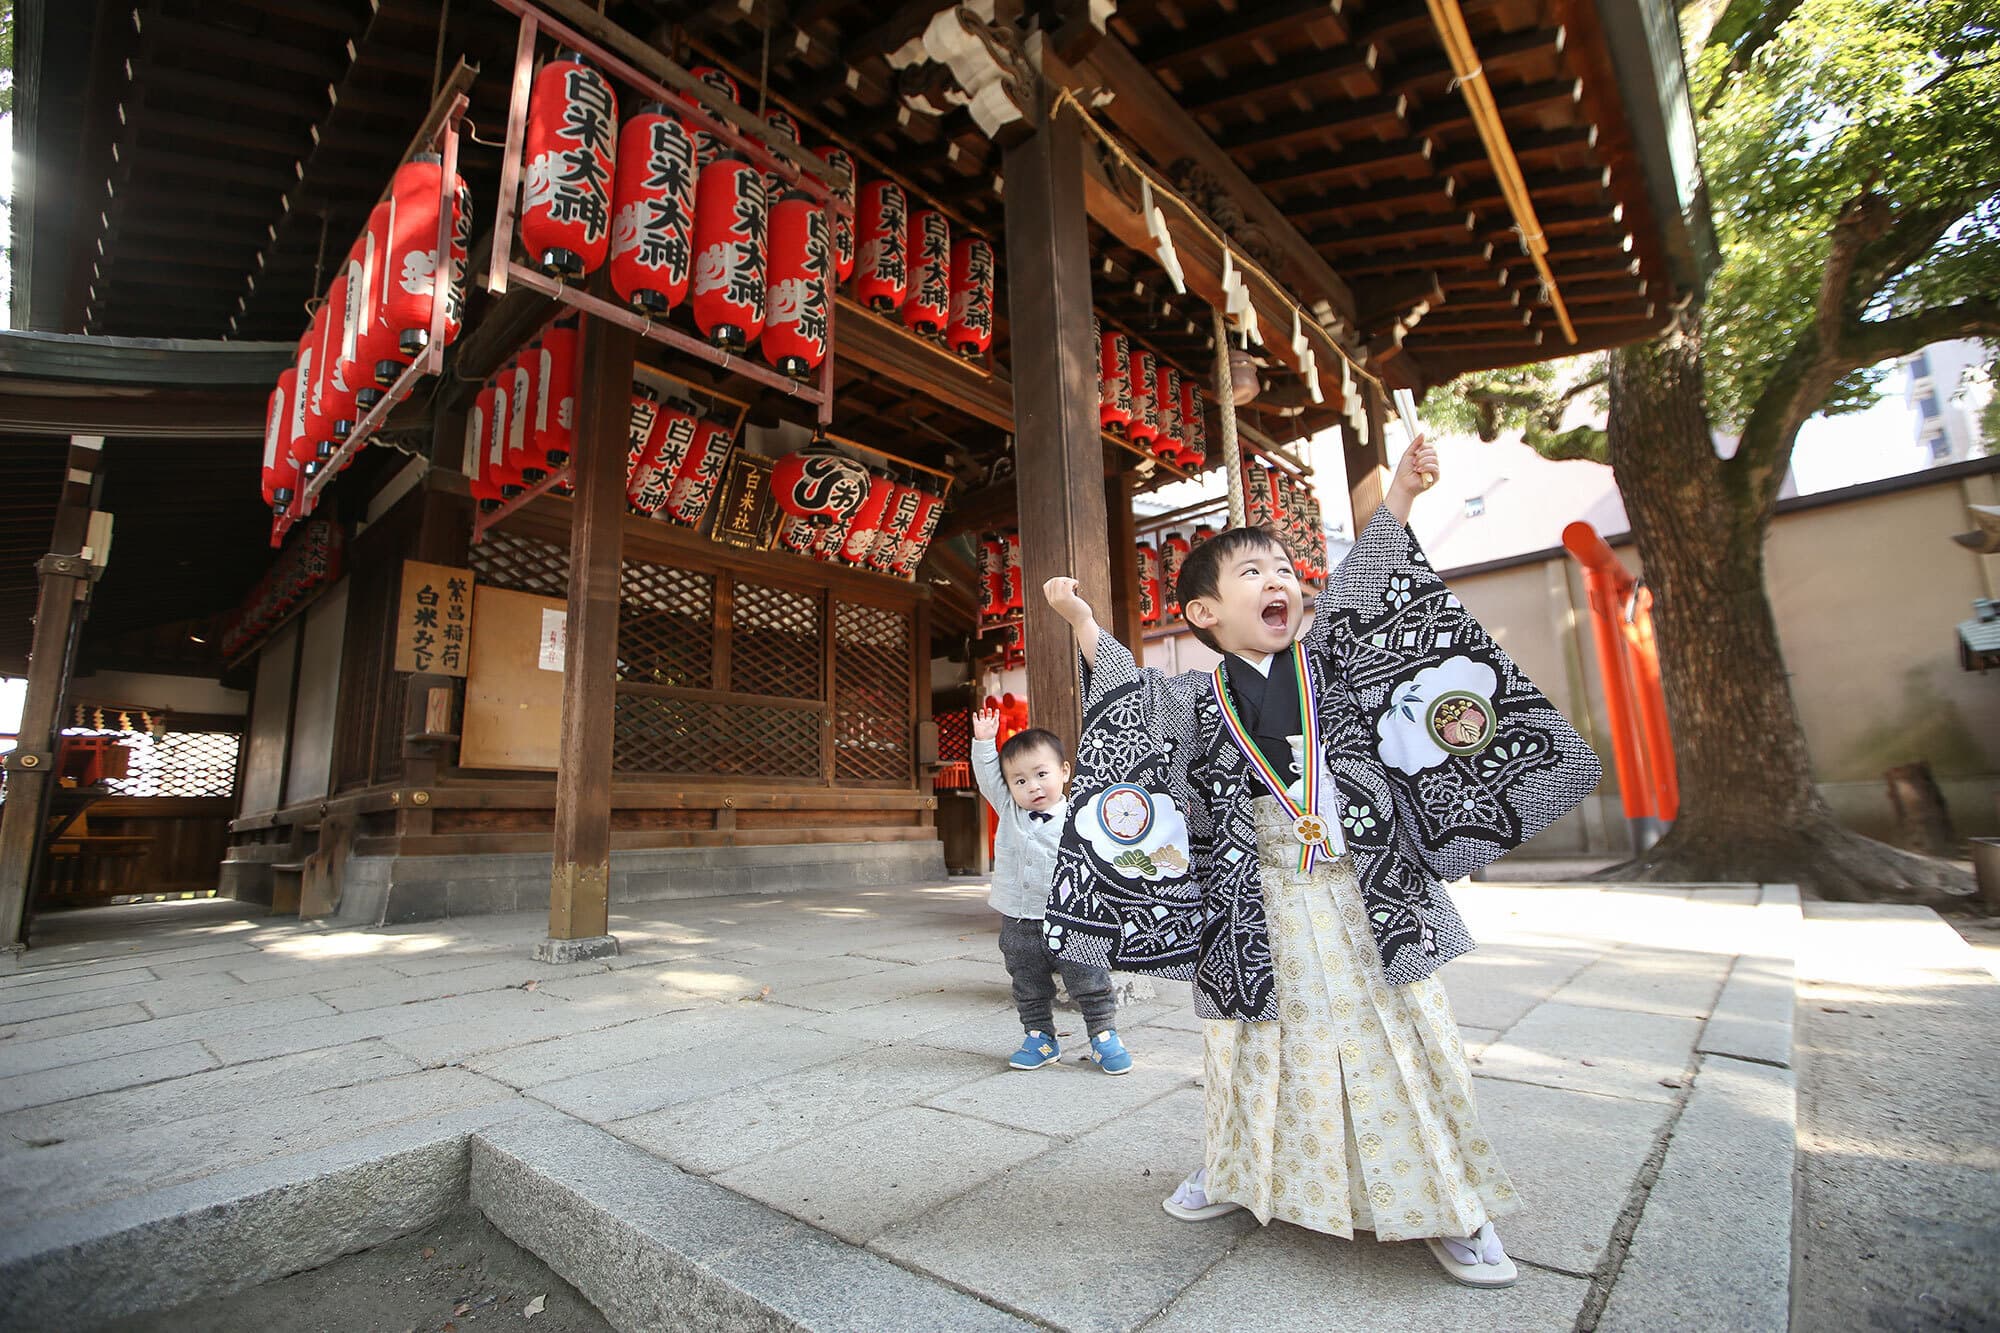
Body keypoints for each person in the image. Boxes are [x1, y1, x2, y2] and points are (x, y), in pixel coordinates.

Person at [1039, 438, 1602, 1288]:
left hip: (1363, 890)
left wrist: (1401, 495)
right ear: (1202, 614)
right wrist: (1083, 624)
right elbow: (1129, 698)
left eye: (1284, 569)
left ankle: (1450, 1202)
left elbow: (1369, 584)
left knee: (1394, 1038)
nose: (1279, 580)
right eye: (1251, 573)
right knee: (1252, 1045)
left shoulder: (1333, 658)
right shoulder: (1194, 698)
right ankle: (1237, 1171)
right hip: (1255, 900)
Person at [970, 708, 1133, 1075]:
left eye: (1042, 774)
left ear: (1064, 771)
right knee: (1026, 981)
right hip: (1020, 920)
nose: (1033, 786)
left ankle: (1104, 1036)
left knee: (1088, 977)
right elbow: (988, 776)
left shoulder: (1082, 816)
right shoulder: (1009, 811)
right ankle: (1040, 1037)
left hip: (1072, 917)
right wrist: (984, 742)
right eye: (1020, 780)